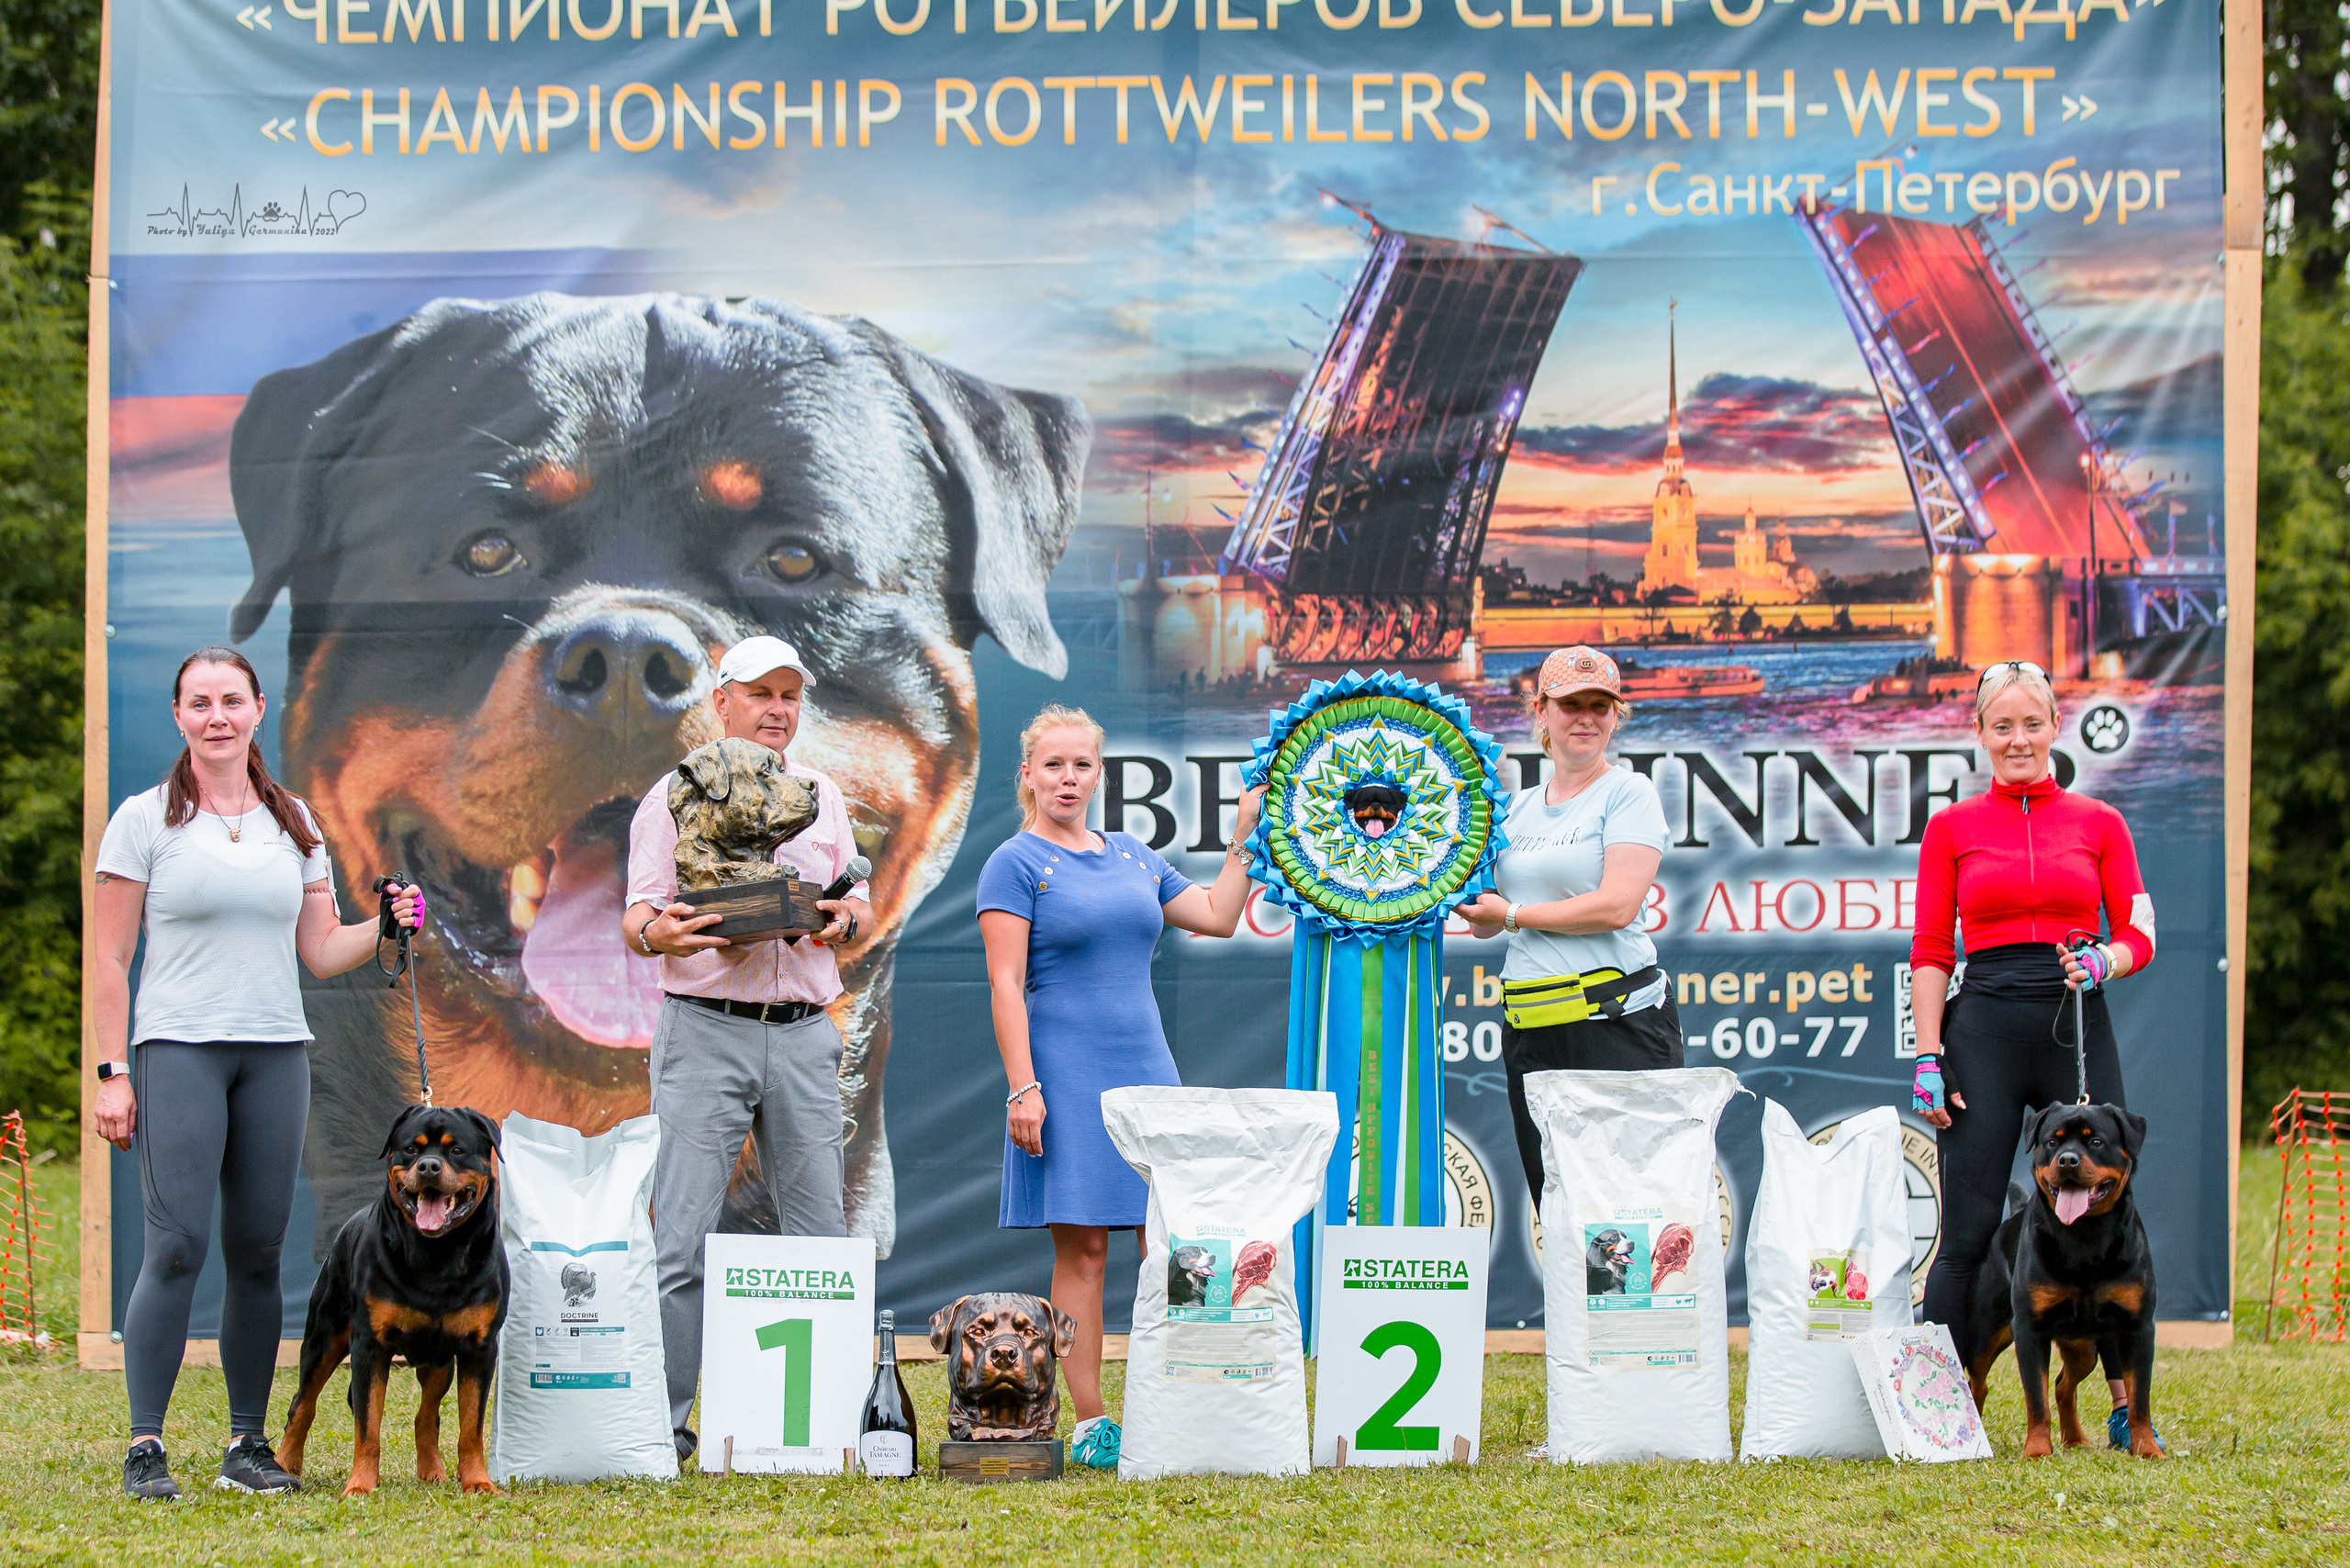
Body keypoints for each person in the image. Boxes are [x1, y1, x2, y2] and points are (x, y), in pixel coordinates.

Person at [90, 647, 422, 1501]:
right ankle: (145, 1447)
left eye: (230, 701)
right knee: (176, 1246)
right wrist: (110, 1072)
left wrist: (386, 925)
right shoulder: (143, 820)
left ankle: (246, 1444)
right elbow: (109, 955)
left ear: (257, 709)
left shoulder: (295, 822)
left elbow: (320, 948)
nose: (216, 717)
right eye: (198, 703)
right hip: (180, 1050)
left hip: (276, 1051)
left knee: (257, 1251)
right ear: (178, 717)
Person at [976, 705, 1263, 1470]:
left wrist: (1244, 833)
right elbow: (1005, 984)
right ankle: (1095, 1425)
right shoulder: (1013, 862)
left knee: (1170, 1244)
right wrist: (1022, 1088)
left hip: (1148, 1072)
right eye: (1054, 765)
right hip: (1062, 1077)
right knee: (1086, 1254)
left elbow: (1218, 916)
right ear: (1029, 774)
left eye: (1082, 766)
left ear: (1100, 774)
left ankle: (1191, 1403)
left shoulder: (1135, 854)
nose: (1068, 778)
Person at [621, 635, 871, 1467]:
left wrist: (847, 919)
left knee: (821, 1241)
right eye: (760, 693)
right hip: (705, 1027)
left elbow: (856, 901)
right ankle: (663, 1424)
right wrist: (666, 932)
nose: (776, 709)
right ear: (719, 701)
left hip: (803, 1034)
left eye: (789, 697)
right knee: (679, 1239)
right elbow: (639, 916)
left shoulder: (820, 794)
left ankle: (824, 1422)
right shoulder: (674, 794)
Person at [1910, 659, 2158, 1450]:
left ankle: (2125, 1412)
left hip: (2075, 1022)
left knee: (2109, 1223)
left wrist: (2105, 962)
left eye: (2032, 723)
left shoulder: (2099, 822)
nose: (2018, 739)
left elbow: (2140, 933)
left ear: (2055, 727)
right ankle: (1942, 1411)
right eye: (2001, 725)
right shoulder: (1951, 828)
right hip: (1982, 1026)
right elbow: (1928, 951)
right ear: (1979, 735)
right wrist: (1927, 1053)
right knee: (1971, 1231)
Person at [1461, 645, 1677, 1204]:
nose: (1585, 717)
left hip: (1616, 1025)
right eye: (1570, 704)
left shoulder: (1630, 791)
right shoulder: (1514, 809)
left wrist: (1508, 915)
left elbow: (1616, 907)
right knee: (1555, 1206)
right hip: (1531, 1029)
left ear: (1615, 716)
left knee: (1626, 1214)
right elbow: (1488, 922)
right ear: (1541, 714)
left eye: (1599, 705)